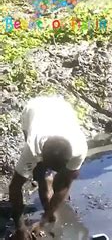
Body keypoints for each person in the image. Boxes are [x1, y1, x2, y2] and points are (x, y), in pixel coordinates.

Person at [9, 96, 88, 239]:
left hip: (61, 108)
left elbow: (66, 184)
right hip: (34, 109)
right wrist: (20, 227)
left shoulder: (79, 148)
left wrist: (44, 221)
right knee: (39, 172)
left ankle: (50, 194)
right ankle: (44, 180)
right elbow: (15, 187)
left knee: (63, 180)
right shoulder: (32, 148)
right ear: (41, 155)